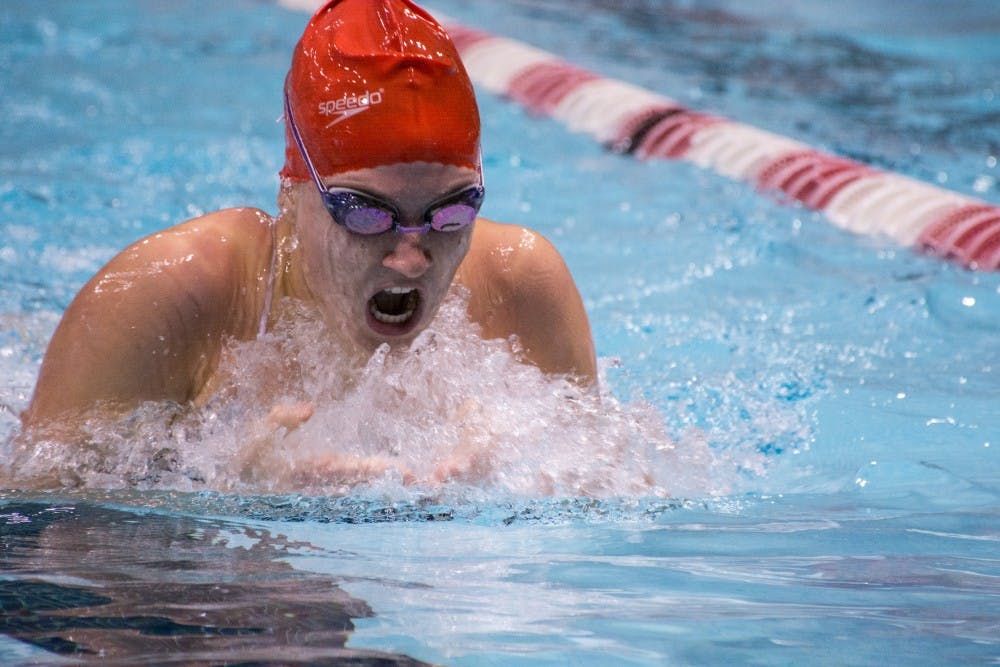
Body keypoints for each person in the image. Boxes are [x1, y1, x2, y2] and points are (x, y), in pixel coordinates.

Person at [18, 0, 596, 481]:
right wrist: (218, 500)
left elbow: (615, 497)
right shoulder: (167, 295)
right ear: (292, 196)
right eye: (366, 211)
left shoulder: (520, 283)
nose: (412, 257)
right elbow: (37, 533)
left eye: (451, 212)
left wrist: (528, 484)